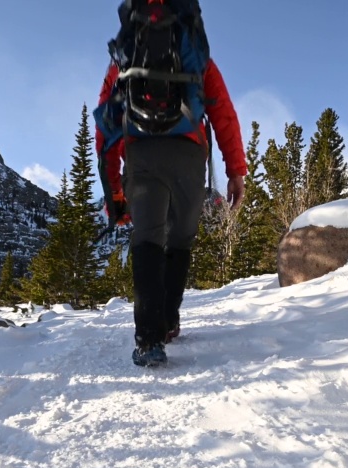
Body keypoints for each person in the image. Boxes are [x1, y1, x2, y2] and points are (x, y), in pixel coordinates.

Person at [95, 0, 247, 367]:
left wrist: (114, 187)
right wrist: (235, 170)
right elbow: (223, 112)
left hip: (141, 152)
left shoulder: (124, 57)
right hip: (188, 156)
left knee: (147, 238)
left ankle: (148, 339)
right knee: (180, 239)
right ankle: (168, 322)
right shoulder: (197, 53)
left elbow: (107, 123)